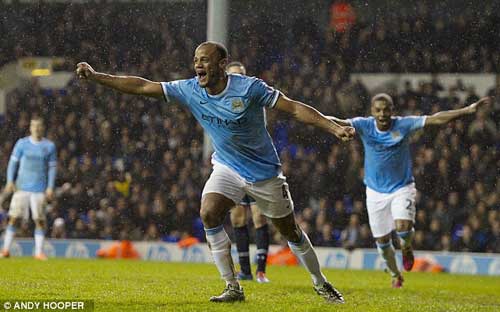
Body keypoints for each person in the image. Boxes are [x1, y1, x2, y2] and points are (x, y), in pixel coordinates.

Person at [76, 41, 355, 304]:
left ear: (222, 64)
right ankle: (232, 286)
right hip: (227, 166)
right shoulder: (189, 89)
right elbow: (142, 86)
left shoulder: (249, 89)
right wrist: (97, 76)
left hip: (264, 173)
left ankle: (320, 281)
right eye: (196, 60)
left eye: (205, 60)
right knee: (209, 212)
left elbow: (293, 108)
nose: (198, 65)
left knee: (289, 231)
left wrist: (333, 128)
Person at [328, 93, 490, 288]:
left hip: (401, 187)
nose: (382, 113)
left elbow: (436, 118)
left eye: (386, 109)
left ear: (393, 110)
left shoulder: (403, 125)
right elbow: (335, 121)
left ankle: (406, 247)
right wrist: (310, 116)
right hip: (374, 192)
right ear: (372, 111)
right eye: (378, 110)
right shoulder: (363, 125)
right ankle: (396, 275)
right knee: (382, 242)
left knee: (403, 227)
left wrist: (468, 110)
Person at [226, 61, 270, 284]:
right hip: (233, 165)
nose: (237, 80)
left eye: (240, 76)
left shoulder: (252, 98)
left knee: (259, 217)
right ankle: (245, 271)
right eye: (232, 76)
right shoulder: (221, 100)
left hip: (255, 165)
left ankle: (261, 270)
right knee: (237, 217)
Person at [1, 116, 57, 260]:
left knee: (39, 220)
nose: (36, 129)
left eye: (39, 126)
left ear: (42, 128)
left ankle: (38, 252)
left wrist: (50, 187)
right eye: (34, 126)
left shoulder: (49, 146)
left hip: (39, 189)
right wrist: (10, 181)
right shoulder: (22, 144)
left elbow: (52, 169)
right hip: (22, 187)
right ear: (30, 128)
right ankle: (5, 250)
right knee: (13, 218)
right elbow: (13, 163)